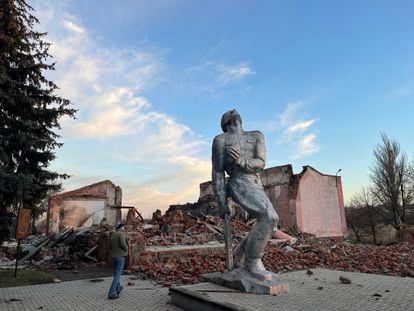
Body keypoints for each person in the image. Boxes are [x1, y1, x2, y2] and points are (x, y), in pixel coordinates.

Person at [212, 109, 278, 280]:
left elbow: (261, 162)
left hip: (255, 182)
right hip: (237, 182)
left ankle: (240, 254)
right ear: (225, 124)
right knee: (269, 217)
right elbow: (218, 173)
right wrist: (221, 203)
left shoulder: (256, 136)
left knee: (271, 220)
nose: (234, 113)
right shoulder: (220, 140)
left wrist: (242, 161)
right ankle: (253, 261)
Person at [108, 223, 128, 299]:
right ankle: (112, 292)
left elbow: (109, 246)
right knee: (118, 274)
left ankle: (118, 288)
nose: (124, 228)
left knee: (116, 273)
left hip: (113, 257)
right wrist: (126, 249)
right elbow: (123, 244)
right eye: (123, 227)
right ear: (121, 228)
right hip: (120, 257)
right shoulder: (121, 234)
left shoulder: (112, 235)